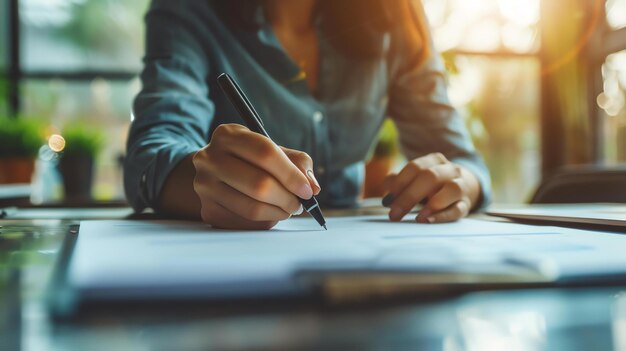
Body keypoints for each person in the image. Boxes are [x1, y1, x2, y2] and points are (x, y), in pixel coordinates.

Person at [125, 0, 492, 230]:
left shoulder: (394, 13)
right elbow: (150, 154)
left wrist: (464, 182)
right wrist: (200, 180)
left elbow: (461, 158)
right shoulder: (188, 10)